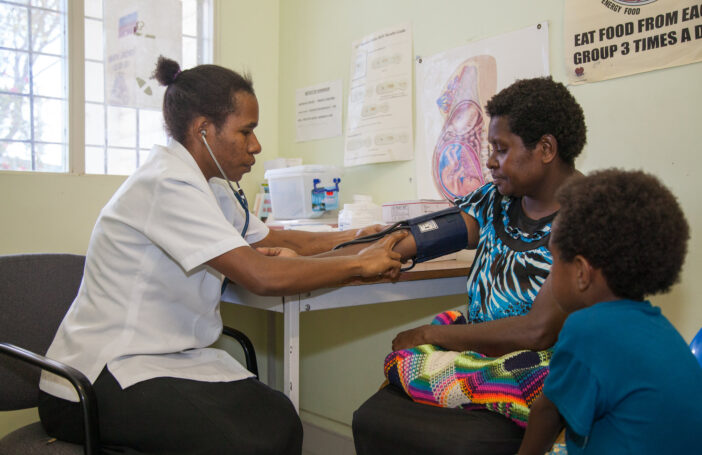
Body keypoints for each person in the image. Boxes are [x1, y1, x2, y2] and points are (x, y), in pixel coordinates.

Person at [37, 56, 406, 455]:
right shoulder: (166, 184)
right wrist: (356, 263)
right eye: (246, 131)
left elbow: (281, 239)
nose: (256, 145)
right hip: (96, 378)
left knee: (279, 419)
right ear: (204, 130)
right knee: (248, 442)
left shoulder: (211, 187)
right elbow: (260, 275)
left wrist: (358, 237)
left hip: (167, 361)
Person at [353, 77, 587, 455]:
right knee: (371, 418)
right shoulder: (496, 199)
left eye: (501, 149)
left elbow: (537, 332)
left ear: (545, 148)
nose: (490, 161)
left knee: (461, 444)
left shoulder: (587, 217)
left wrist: (431, 336)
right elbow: (416, 239)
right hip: (477, 355)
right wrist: (351, 252)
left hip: (541, 373)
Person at [518, 169, 702, 454]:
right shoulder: (659, 328)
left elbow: (547, 413)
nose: (551, 274)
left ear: (581, 272)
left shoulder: (587, 328)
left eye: (554, 261)